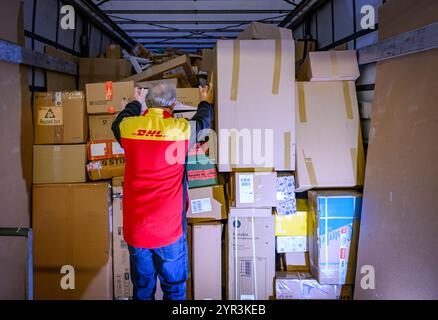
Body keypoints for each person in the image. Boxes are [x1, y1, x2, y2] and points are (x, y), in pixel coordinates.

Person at [111, 81, 214, 300]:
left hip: (137, 231)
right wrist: (205, 100)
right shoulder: (181, 130)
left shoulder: (129, 128)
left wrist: (134, 103)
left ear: (147, 103)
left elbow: (117, 122)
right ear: (173, 105)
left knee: (143, 289)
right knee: (174, 289)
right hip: (169, 232)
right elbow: (203, 120)